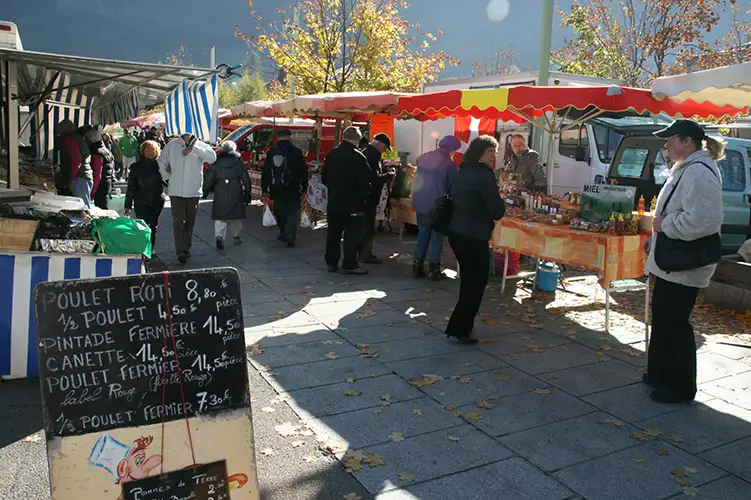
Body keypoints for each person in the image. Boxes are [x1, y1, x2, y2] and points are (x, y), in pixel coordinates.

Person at [643, 119, 725, 404]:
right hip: (672, 262)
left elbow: (703, 220)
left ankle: (679, 386)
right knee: (664, 318)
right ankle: (660, 374)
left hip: (684, 265)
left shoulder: (698, 173)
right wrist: (655, 237)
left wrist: (663, 225)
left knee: (674, 323)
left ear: (687, 141)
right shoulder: (687, 169)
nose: (666, 145)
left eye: (671, 139)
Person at [445, 135, 506, 344]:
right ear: (481, 152)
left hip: (458, 232)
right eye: (491, 152)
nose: (494, 156)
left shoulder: (464, 170)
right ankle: (459, 327)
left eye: (495, 153)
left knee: (469, 281)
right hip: (473, 234)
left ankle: (462, 325)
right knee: (476, 283)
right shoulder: (483, 175)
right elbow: (496, 210)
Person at [158, 133, 217, 264]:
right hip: (175, 190)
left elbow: (212, 158)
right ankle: (180, 250)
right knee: (179, 221)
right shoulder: (172, 145)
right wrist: (167, 178)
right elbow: (161, 162)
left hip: (193, 190)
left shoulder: (201, 146)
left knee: (190, 221)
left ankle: (186, 247)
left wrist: (194, 149)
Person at [322, 126, 372, 275]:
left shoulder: (332, 154)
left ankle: (331, 262)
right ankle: (349, 264)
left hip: (335, 201)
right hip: (353, 203)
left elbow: (325, 177)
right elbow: (365, 181)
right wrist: (364, 197)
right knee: (352, 234)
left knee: (334, 233)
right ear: (357, 140)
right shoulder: (358, 156)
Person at [412, 135, 461, 280]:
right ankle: (434, 270)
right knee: (436, 238)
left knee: (422, 235)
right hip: (437, 205)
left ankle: (417, 266)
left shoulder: (423, 158)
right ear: (451, 149)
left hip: (421, 202)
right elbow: (453, 186)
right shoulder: (448, 164)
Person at [261, 128, 309, 247]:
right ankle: (290, 234)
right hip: (293, 186)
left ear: (278, 137)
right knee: (292, 210)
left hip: (276, 187)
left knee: (279, 210)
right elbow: (304, 170)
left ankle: (283, 231)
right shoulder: (296, 151)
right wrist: (304, 185)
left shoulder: (272, 151)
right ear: (290, 136)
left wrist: (264, 187)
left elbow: (266, 171)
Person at [204, 141, 252, 249]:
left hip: (220, 189)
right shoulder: (239, 162)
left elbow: (209, 179)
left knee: (220, 215)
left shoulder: (216, 163)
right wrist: (248, 193)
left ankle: (219, 236)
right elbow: (246, 180)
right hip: (236, 189)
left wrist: (205, 191)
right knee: (236, 215)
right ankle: (236, 236)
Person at [359, 133, 396, 264]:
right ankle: (364, 254)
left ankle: (362, 252)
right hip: (369, 197)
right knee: (367, 227)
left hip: (365, 197)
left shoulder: (366, 152)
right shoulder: (372, 155)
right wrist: (388, 175)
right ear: (380, 144)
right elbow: (373, 178)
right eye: (385, 147)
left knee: (364, 226)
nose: (385, 150)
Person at [125, 140, 166, 251]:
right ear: (142, 151)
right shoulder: (135, 167)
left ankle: (150, 247)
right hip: (141, 200)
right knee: (143, 225)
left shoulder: (161, 166)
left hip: (157, 199)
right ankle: (144, 247)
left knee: (153, 225)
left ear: (157, 151)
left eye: (152, 149)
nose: (149, 152)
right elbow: (131, 188)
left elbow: (167, 181)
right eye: (147, 149)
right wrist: (127, 205)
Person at [56, 120, 93, 205]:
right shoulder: (77, 137)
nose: (58, 131)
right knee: (82, 207)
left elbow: (76, 158)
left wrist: (72, 177)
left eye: (59, 128)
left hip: (79, 177)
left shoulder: (69, 139)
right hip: (84, 176)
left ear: (63, 129)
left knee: (82, 208)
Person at [86, 129, 116, 210]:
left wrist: (92, 192)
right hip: (107, 182)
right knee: (103, 206)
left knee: (101, 209)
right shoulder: (106, 150)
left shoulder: (96, 152)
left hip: (100, 184)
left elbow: (97, 173)